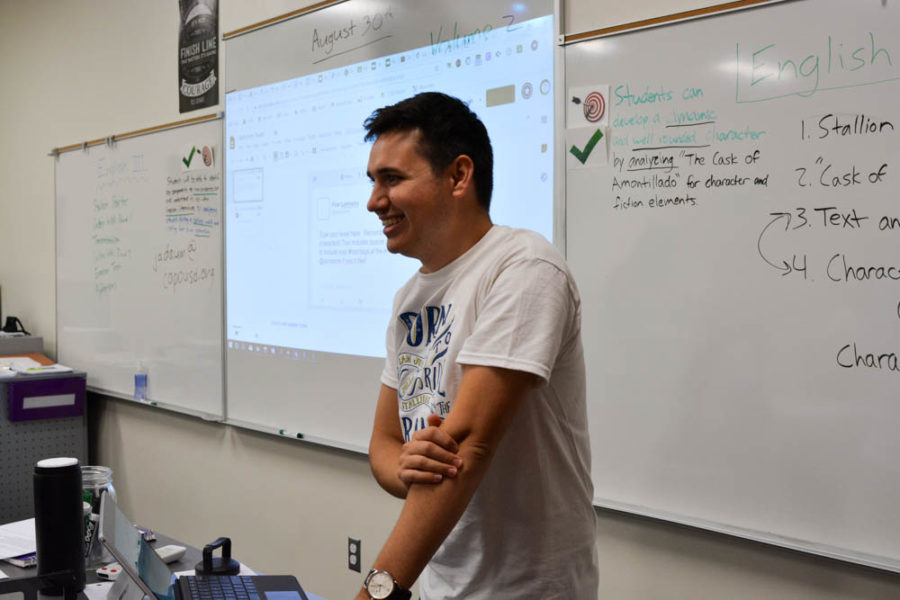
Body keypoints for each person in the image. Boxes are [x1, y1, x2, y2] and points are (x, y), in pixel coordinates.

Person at [356, 92, 597, 600]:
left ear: (459, 176)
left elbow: (467, 448)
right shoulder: (409, 298)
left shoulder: (525, 267)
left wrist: (375, 595)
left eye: (392, 179)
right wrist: (403, 468)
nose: (375, 200)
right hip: (440, 586)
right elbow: (383, 444)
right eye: (374, 181)